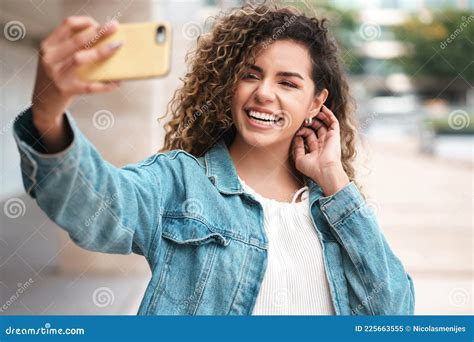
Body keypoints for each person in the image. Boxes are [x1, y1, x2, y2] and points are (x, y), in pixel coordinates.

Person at [12, 3, 415, 315]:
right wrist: (48, 113)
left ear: (316, 102)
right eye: (250, 75)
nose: (264, 94)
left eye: (288, 82)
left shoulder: (335, 207)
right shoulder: (180, 182)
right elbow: (95, 210)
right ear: (230, 84)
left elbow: (394, 314)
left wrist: (334, 181)